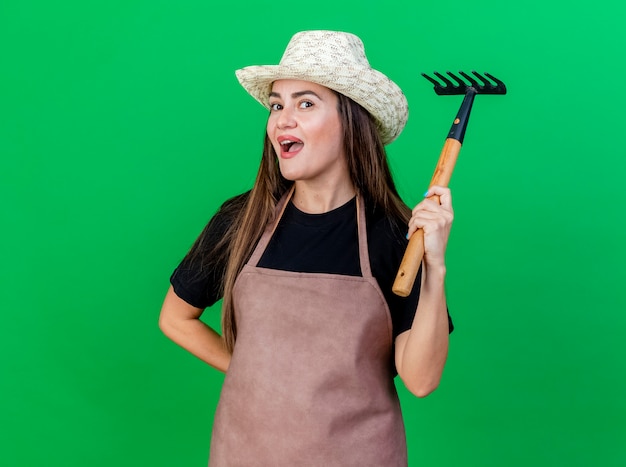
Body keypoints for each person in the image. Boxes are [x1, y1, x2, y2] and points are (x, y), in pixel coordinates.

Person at [159, 30, 454, 466]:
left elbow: (421, 379)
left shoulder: (394, 233)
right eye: (278, 104)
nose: (283, 119)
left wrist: (435, 268)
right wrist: (262, 377)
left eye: (306, 103)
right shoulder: (242, 220)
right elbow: (175, 318)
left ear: (351, 121)